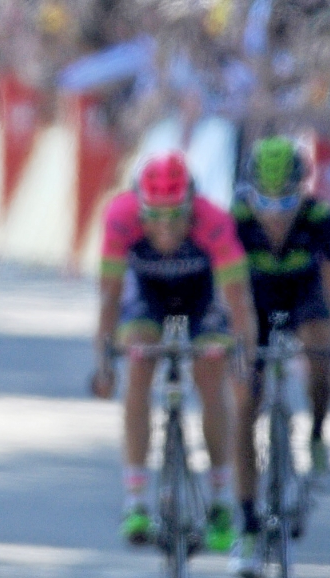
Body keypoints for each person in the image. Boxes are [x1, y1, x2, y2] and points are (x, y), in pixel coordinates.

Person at [90, 151, 255, 551]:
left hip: (201, 299)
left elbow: (237, 300)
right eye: (155, 217)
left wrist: (242, 354)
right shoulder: (120, 216)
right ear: (139, 208)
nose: (165, 228)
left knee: (211, 377)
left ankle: (219, 501)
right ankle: (136, 501)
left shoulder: (214, 221)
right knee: (138, 363)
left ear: (191, 207)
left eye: (176, 216)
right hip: (148, 298)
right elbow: (110, 297)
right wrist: (104, 363)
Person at [228, 137, 330, 578]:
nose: (276, 212)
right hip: (252, 304)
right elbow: (227, 293)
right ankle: (247, 524)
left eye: (287, 199)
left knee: (322, 353)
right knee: (244, 405)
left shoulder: (320, 220)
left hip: (305, 297)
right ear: (249, 193)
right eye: (265, 199)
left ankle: (317, 433)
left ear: (303, 190)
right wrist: (235, 349)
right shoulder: (236, 222)